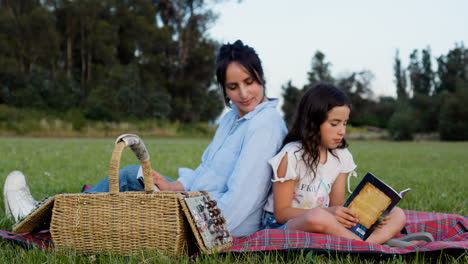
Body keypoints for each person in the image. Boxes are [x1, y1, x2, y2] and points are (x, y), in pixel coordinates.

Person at [3, 40, 288, 237]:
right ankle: (49, 215)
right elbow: (207, 170)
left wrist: (191, 210)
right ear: (225, 90)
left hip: (219, 221)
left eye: (249, 82)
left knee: (129, 179)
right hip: (196, 202)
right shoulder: (231, 119)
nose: (243, 94)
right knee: (138, 178)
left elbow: (243, 198)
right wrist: (176, 186)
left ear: (261, 77)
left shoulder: (266, 125)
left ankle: (39, 218)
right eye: (233, 87)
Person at [262, 83, 407, 245]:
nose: (342, 131)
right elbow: (281, 213)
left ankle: (371, 239)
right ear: (313, 122)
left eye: (344, 123)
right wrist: (329, 212)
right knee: (316, 217)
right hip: (283, 226)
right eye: (334, 123)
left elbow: (337, 206)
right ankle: (375, 242)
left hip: (325, 223)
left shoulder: (341, 156)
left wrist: (371, 216)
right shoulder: (291, 156)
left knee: (397, 214)